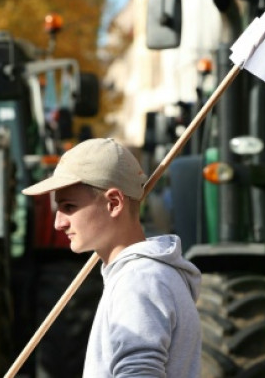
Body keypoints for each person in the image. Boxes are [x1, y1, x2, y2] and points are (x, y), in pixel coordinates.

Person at [23, 137, 201, 377]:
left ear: (114, 203)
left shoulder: (139, 280)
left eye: (69, 207)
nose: (59, 223)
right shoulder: (143, 275)